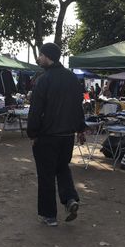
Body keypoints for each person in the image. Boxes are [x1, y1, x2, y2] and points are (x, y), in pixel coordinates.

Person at [27, 42, 85, 227]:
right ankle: (69, 200)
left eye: (41, 55)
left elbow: (36, 110)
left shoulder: (43, 80)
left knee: (46, 175)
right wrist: (80, 128)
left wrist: (32, 132)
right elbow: (78, 106)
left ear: (47, 56)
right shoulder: (72, 78)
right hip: (67, 136)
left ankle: (49, 215)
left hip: (47, 136)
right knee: (62, 168)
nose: (38, 59)